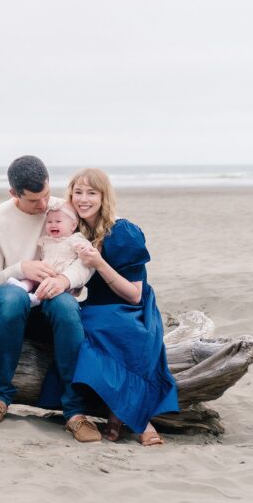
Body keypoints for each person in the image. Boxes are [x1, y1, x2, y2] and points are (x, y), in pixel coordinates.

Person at [0, 155, 100, 442]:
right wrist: (22, 268)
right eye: (35, 201)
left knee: (67, 305)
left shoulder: (62, 209)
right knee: (13, 299)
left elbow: (84, 257)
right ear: (14, 194)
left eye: (46, 194)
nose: (45, 205)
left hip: (49, 302)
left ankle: (74, 411)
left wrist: (63, 280)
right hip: (8, 305)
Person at [66, 168, 178, 446]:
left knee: (126, 334)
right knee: (90, 328)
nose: (83, 199)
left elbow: (134, 295)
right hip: (97, 308)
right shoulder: (74, 231)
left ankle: (136, 420)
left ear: (104, 197)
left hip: (131, 307)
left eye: (91, 193)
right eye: (77, 192)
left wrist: (98, 263)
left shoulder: (123, 232)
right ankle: (121, 415)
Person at [7, 198, 92, 306]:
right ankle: (23, 287)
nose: (53, 225)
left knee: (48, 287)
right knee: (32, 279)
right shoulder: (47, 240)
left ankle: (36, 297)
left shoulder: (74, 239)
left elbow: (86, 247)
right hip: (47, 271)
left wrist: (84, 249)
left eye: (58, 221)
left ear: (73, 226)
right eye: (49, 222)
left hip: (60, 275)